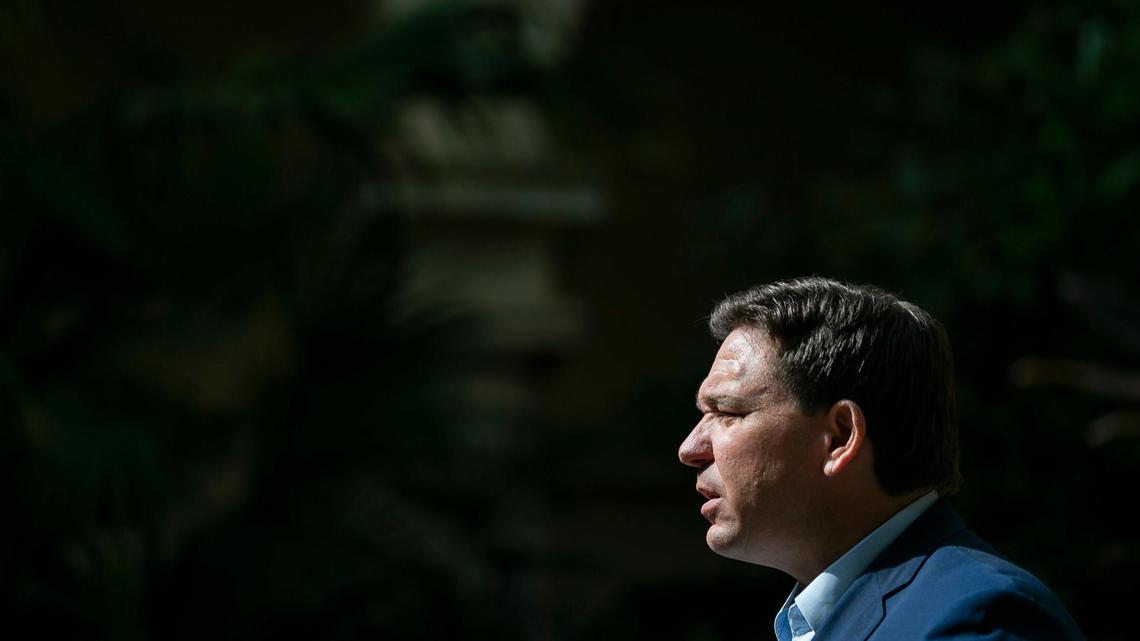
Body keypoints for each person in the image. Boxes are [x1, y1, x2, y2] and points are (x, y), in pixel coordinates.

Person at [678, 277, 1085, 641]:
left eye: (727, 413)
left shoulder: (977, 618)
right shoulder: (827, 618)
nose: (690, 448)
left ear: (839, 437)